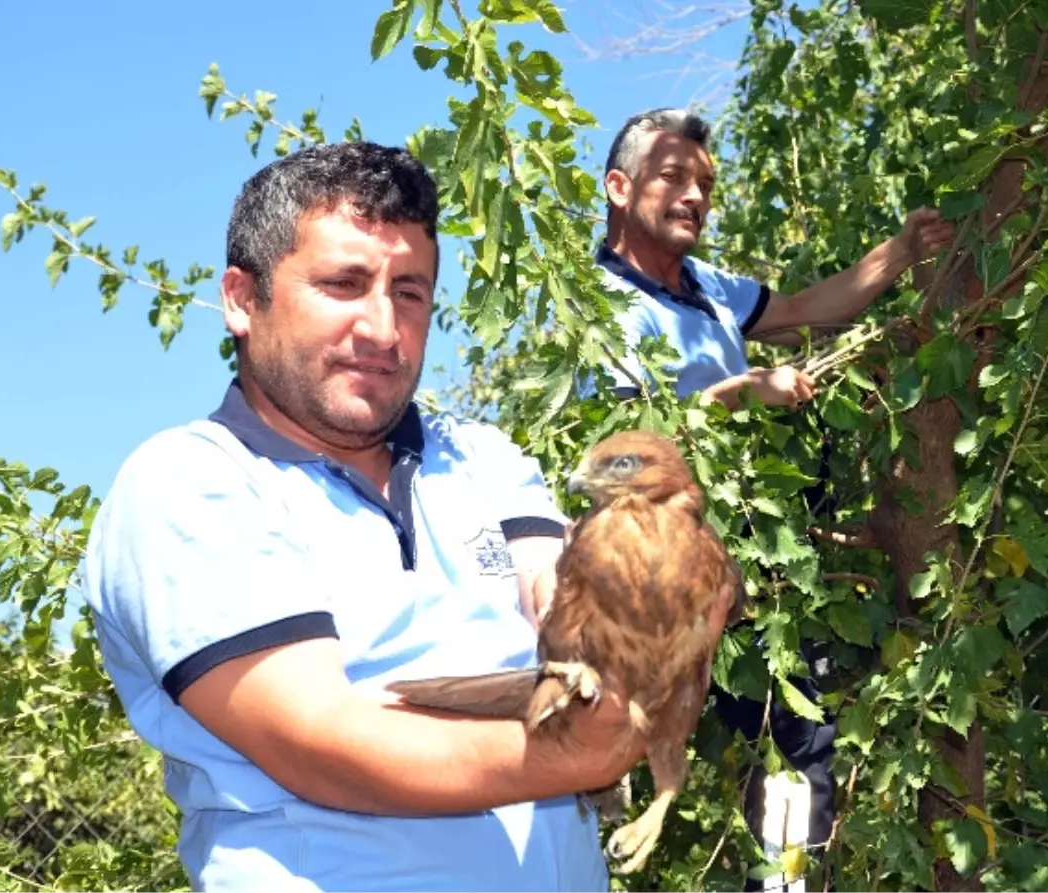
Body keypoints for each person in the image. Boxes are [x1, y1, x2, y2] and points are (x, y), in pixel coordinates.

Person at [81, 141, 734, 892]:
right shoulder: (191, 482)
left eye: (410, 292)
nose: (383, 329)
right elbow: (323, 744)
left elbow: (571, 599)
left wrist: (666, 593)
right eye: (343, 284)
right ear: (241, 298)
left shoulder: (481, 457)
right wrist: (578, 755)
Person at [587, 108, 954, 887]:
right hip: (659, 585)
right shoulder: (597, 308)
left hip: (751, 578)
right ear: (619, 188)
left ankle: (778, 883)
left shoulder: (712, 290)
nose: (694, 196)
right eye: (672, 176)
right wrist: (741, 392)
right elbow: (618, 453)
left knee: (796, 746)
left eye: (705, 185)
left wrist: (901, 249)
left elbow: (802, 310)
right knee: (609, 766)